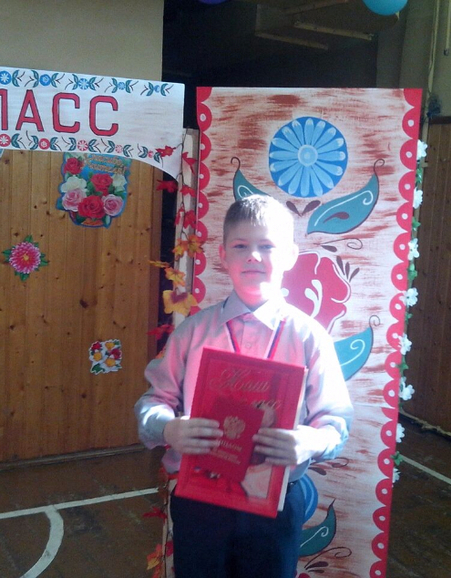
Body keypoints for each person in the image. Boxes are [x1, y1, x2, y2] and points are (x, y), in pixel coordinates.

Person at [134, 195, 353, 578]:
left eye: (267, 246)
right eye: (240, 246)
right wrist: (168, 428)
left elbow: (335, 420)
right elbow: (153, 400)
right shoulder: (192, 332)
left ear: (289, 255)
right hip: (200, 498)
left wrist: (311, 441)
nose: (253, 255)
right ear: (223, 256)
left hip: (278, 501)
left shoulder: (309, 338)